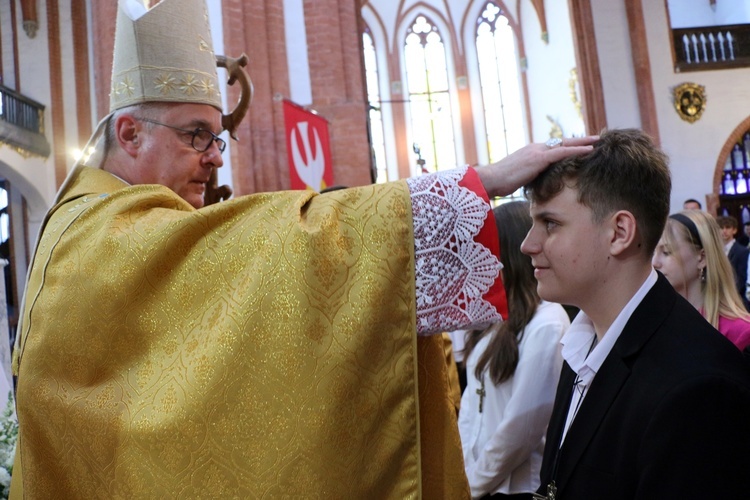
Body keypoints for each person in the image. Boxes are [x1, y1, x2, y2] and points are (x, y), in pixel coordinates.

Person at [8, 0, 596, 497]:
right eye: (195, 136)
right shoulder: (98, 232)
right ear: (130, 134)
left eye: (218, 138)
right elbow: (285, 244)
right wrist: (477, 183)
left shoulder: (117, 224)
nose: (216, 156)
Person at [521, 128, 750, 499]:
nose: (528, 244)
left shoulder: (699, 387)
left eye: (550, 223)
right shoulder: (584, 342)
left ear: (619, 232)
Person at [458, 201, 569, 499]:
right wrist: (463, 473)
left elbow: (522, 429)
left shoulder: (547, 322)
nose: (483, 260)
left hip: (516, 488)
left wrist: (473, 485)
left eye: (489, 249)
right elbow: (471, 402)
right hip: (477, 482)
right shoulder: (497, 316)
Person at [653, 210, 750, 350]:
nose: (654, 262)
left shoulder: (739, 331)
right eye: (652, 252)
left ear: (702, 258)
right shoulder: (658, 322)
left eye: (667, 252)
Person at [715, 215, 750, 310]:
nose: (724, 231)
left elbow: (742, 278)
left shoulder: (742, 251)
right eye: (721, 228)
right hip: (719, 298)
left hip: (737, 299)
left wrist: (727, 295)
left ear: (734, 230)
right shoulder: (715, 251)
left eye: (727, 227)